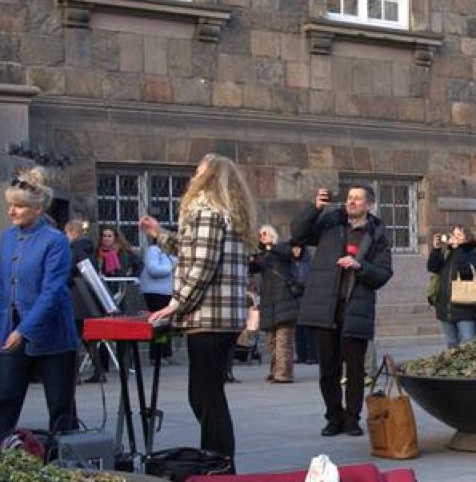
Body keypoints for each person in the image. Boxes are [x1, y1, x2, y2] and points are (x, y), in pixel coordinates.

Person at [142, 155, 254, 458]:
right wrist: (160, 235)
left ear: (209, 178)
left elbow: (202, 264)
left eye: (198, 171)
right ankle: (215, 459)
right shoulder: (229, 214)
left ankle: (218, 462)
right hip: (224, 315)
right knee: (208, 393)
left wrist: (175, 305)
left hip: (209, 315)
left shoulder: (206, 211)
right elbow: (193, 249)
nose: (193, 177)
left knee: (204, 395)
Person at [0, 169, 80, 443]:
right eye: (9, 205)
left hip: (52, 333)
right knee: (6, 396)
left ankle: (67, 459)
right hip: (13, 327)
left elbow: (52, 291)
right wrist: (1, 326)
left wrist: (23, 331)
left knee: (61, 406)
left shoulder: (55, 240)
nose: (12, 211)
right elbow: (3, 287)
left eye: (19, 206)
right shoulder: (8, 237)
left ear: (38, 208)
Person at [292, 184, 393, 437]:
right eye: (349, 198)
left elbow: (383, 273)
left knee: (355, 369)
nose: (352, 202)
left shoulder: (377, 234)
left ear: (369, 205)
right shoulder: (331, 224)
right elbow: (298, 233)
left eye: (358, 199)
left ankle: (351, 419)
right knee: (328, 368)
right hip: (324, 307)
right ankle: (333, 416)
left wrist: (360, 266)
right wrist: (315, 208)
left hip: (355, 309)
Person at [250, 225, 302, 383]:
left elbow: (288, 254)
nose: (262, 236)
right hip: (269, 303)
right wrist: (256, 251)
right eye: (260, 234)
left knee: (283, 340)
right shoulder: (263, 255)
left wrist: (271, 245)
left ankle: (284, 374)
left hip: (284, 300)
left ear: (273, 235)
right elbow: (252, 268)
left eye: (265, 233)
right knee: (272, 341)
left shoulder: (283, 248)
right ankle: (275, 370)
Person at [426, 225, 476, 347]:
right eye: (454, 235)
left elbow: (467, 274)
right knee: (452, 343)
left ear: (467, 238)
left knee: (469, 343)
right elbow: (432, 268)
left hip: (464, 308)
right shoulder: (448, 253)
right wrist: (436, 249)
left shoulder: (472, 253)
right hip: (445, 307)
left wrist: (458, 249)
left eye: (459, 235)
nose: (455, 238)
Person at [136, 208, 177, 366]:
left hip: (166, 291)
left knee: (165, 325)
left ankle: (165, 352)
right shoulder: (153, 250)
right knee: (158, 323)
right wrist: (172, 267)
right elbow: (153, 269)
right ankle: (157, 354)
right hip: (155, 291)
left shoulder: (170, 253)